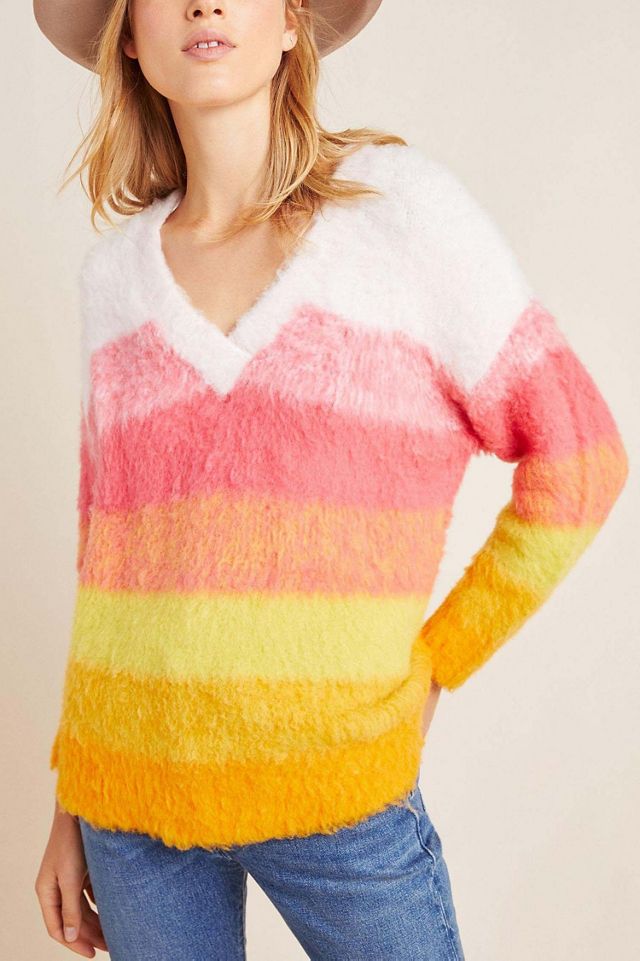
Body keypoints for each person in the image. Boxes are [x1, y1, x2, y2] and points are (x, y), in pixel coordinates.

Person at [31, 1, 628, 959]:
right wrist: (73, 793)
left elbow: (582, 458)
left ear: (291, 21)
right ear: (130, 38)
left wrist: (441, 658)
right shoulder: (115, 278)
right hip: (129, 808)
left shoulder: (401, 219)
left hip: (338, 794)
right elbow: (110, 558)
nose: (204, 2)